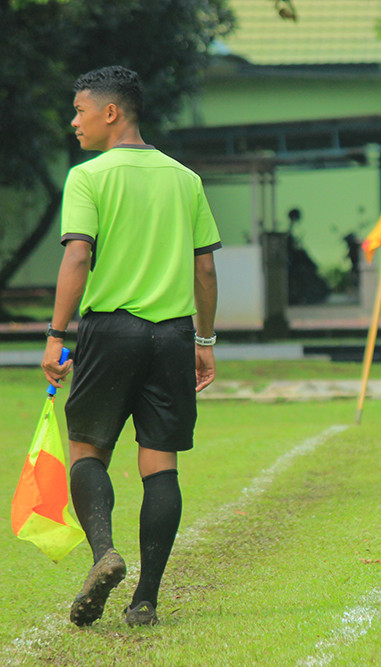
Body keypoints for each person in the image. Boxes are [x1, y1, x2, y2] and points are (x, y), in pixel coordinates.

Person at [40, 66, 221, 628]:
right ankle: (145, 598)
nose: (74, 121)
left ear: (111, 112)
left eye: (80, 110)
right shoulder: (183, 178)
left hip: (109, 332)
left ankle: (104, 555)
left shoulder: (88, 177)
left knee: (87, 451)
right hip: (171, 335)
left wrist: (55, 334)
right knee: (159, 464)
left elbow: (76, 257)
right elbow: (206, 268)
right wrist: (204, 340)